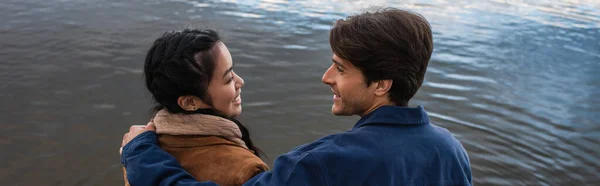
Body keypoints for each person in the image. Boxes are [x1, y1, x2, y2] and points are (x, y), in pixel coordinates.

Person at [120, 7, 472, 186]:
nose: (326, 77)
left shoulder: (325, 164)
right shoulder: (452, 151)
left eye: (341, 69)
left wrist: (140, 153)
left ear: (382, 84)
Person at [120, 29, 269, 186]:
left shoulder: (137, 150)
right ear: (189, 103)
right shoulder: (247, 170)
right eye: (228, 79)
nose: (241, 82)